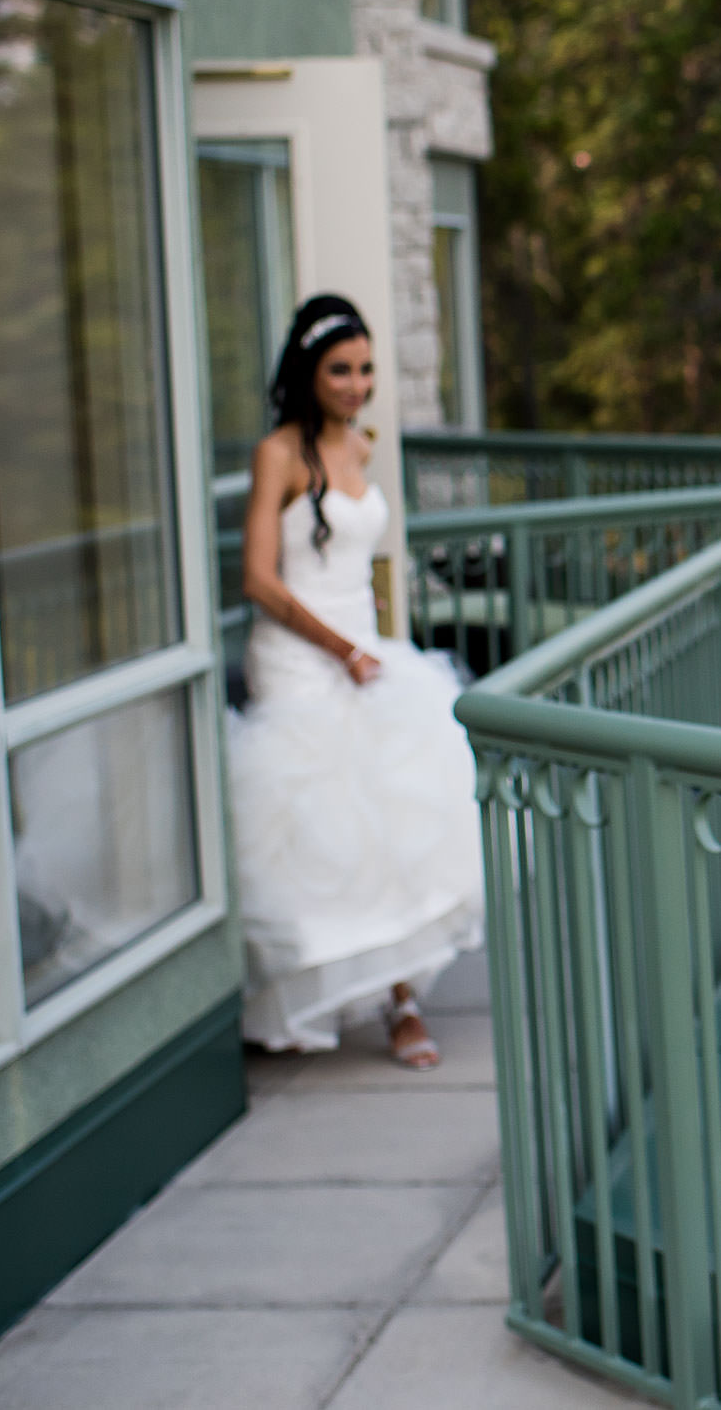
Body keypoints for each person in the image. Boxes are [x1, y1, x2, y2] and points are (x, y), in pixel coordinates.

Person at [226, 295, 484, 1068]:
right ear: (308, 373)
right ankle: (295, 996)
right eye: (341, 369)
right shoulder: (278, 453)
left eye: (366, 369)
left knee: (392, 816)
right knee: (315, 829)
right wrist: (342, 648)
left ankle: (402, 1001)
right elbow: (260, 580)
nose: (356, 383)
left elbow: (357, 558)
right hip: (300, 658)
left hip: (360, 647)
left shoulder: (363, 448)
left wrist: (367, 633)